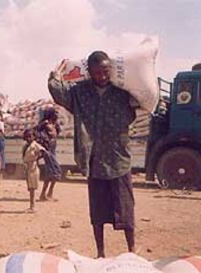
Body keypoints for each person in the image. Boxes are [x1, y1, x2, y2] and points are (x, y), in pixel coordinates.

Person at [48, 51, 138, 257]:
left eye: (106, 72)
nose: (102, 76)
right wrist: (55, 74)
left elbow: (138, 105)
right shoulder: (80, 93)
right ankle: (100, 252)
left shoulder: (121, 92)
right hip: (94, 160)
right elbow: (58, 92)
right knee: (97, 211)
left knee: (126, 207)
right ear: (90, 72)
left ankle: (132, 250)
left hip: (119, 158)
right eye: (97, 73)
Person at [36, 108, 62, 201]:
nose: (57, 116)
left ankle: (49, 193)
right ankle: (43, 194)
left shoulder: (55, 124)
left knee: (55, 172)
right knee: (52, 171)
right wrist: (43, 143)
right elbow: (37, 132)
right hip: (48, 150)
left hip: (53, 149)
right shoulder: (45, 123)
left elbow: (57, 133)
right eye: (55, 114)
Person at [22, 129, 45, 213]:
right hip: (27, 167)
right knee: (30, 187)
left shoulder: (35, 145)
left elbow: (43, 151)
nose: (28, 138)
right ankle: (31, 206)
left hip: (33, 167)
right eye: (27, 136)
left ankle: (32, 206)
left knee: (32, 188)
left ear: (34, 137)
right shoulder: (26, 146)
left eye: (30, 136)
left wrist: (37, 157)